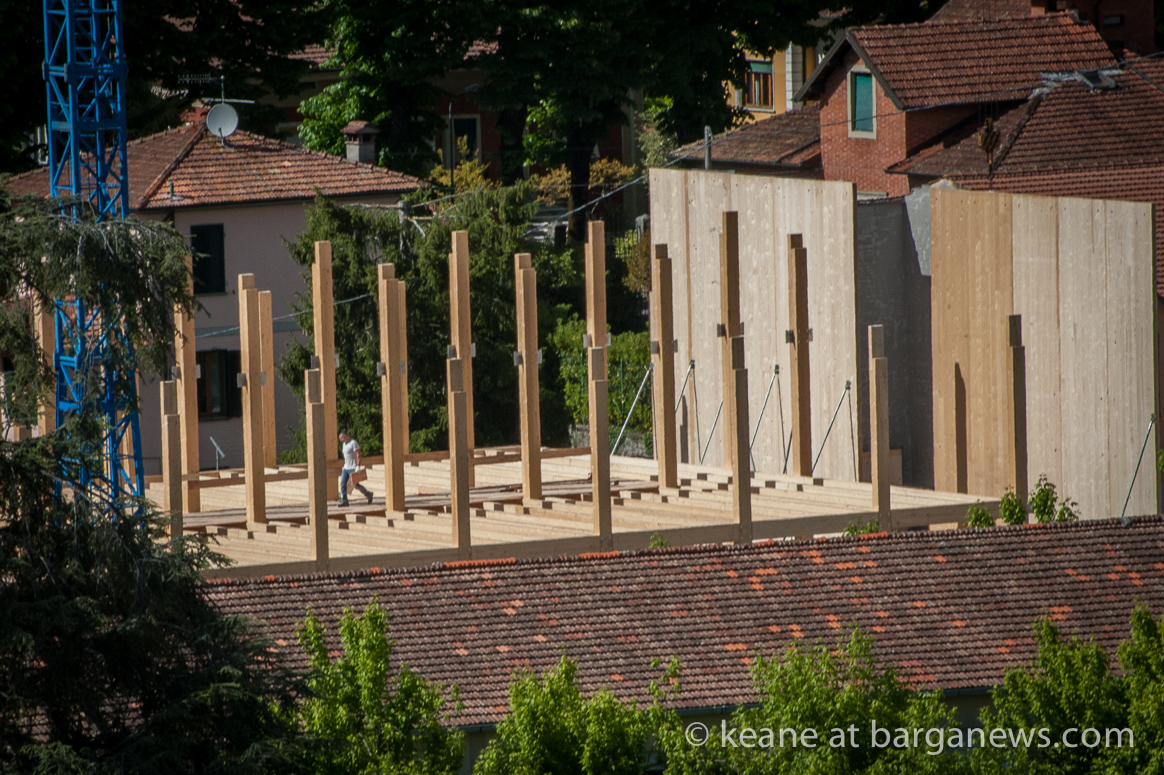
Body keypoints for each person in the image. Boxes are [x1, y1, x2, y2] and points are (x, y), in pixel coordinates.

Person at [338, 431, 373, 506]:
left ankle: (368, 495)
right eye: (340, 438)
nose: (341, 440)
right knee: (343, 484)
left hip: (352, 467)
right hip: (346, 467)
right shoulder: (344, 444)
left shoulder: (353, 443)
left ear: (346, 436)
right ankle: (345, 501)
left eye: (342, 438)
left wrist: (357, 466)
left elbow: (358, 455)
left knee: (355, 485)